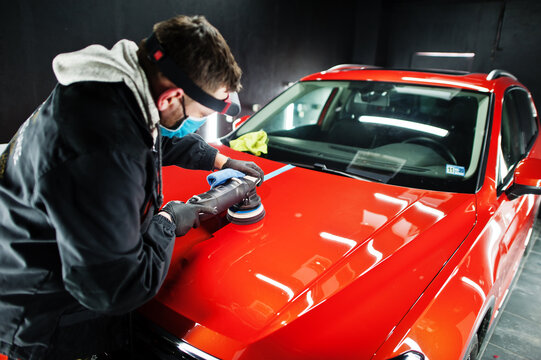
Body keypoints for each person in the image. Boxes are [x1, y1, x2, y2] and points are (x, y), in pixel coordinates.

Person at [0, 15, 263, 360]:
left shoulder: (110, 89)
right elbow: (115, 289)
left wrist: (219, 160)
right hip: (46, 321)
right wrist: (168, 222)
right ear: (170, 98)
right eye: (195, 113)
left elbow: (152, 137)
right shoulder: (100, 150)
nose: (193, 123)